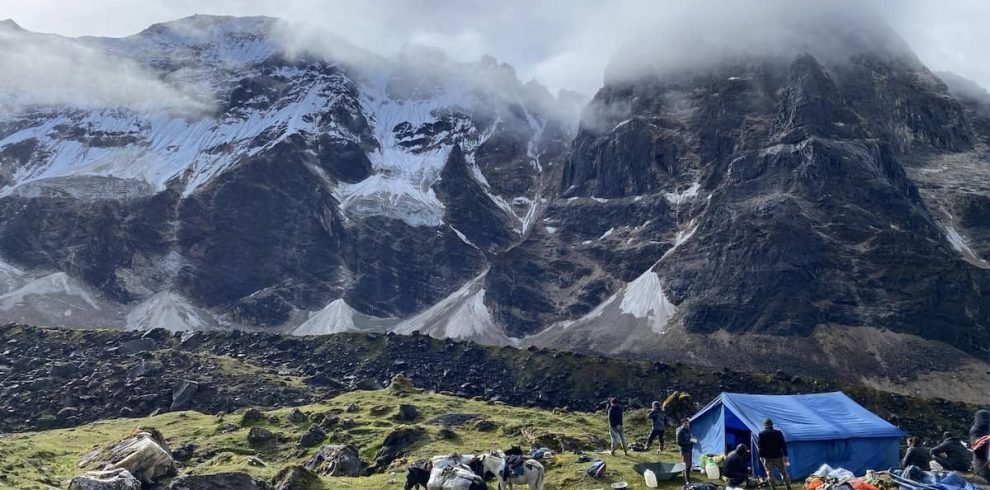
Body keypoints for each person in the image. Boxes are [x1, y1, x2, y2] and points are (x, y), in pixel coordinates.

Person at [757, 418, 791, 490]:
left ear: (764, 425)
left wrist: (760, 456)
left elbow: (760, 447)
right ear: (772, 424)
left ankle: (773, 487)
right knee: (783, 472)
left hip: (767, 457)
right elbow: (783, 445)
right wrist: (785, 455)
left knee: (769, 473)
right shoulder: (778, 433)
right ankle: (788, 486)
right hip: (778, 456)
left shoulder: (761, 434)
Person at [970, 410, 989, 484]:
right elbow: (977, 448)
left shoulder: (987, 430)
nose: (986, 420)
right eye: (984, 418)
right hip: (982, 464)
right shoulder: (975, 430)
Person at [676, 418, 696, 484]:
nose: (687, 424)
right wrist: (689, 442)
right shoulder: (680, 432)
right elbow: (679, 442)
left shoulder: (688, 431)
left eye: (688, 423)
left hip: (689, 449)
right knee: (686, 465)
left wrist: (693, 441)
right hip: (684, 450)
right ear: (683, 424)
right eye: (685, 423)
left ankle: (688, 479)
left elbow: (690, 439)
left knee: (689, 465)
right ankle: (686, 481)